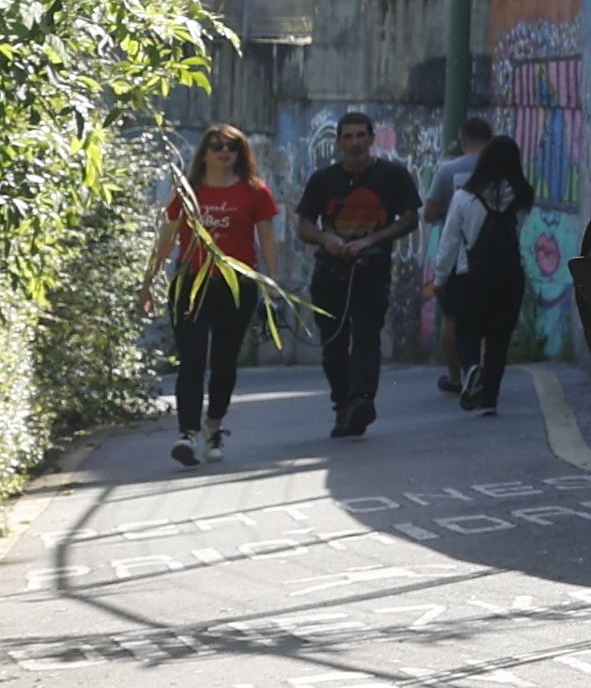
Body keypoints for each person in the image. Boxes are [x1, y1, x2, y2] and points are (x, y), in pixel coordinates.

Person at [140, 128, 277, 466]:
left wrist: (271, 282)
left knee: (225, 361)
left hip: (236, 285)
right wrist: (148, 282)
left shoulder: (255, 192)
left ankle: (213, 426)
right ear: (204, 153)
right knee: (192, 358)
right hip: (191, 285)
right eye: (216, 146)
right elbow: (167, 239)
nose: (224, 152)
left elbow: (268, 239)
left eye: (232, 147)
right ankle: (187, 434)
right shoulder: (186, 193)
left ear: (240, 153)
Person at [295, 112, 424, 439]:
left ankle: (362, 399)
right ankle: (343, 405)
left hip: (372, 270)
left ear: (371, 139)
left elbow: (410, 219)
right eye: (348, 137)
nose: (354, 143)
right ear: (339, 142)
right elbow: (305, 225)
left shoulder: (392, 176)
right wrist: (328, 239)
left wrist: (371, 241)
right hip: (330, 272)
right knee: (333, 344)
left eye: (360, 136)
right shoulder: (323, 181)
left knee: (367, 336)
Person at [435, 120, 536, 412]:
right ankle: (490, 398)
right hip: (509, 275)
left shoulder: (464, 197)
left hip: (471, 276)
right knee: (498, 338)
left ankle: (469, 369)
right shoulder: (522, 196)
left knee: (467, 333)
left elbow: (449, 242)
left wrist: (440, 278)